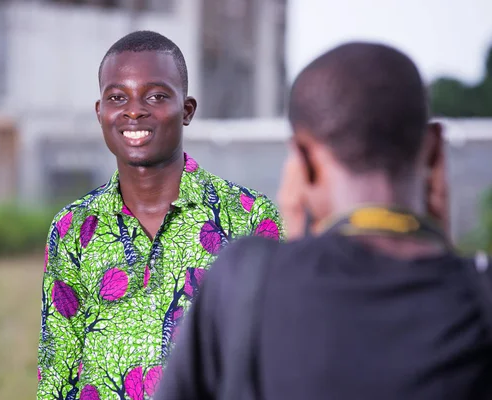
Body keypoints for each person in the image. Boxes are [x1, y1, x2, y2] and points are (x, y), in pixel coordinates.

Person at [155, 42, 492, 400]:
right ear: (436, 150)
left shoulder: (244, 281)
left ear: (304, 159)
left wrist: (287, 257)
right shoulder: (479, 300)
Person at [36, 30, 283, 400]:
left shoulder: (249, 218)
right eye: (117, 97)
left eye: (155, 96)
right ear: (100, 111)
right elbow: (58, 367)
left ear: (187, 110)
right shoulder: (73, 228)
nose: (134, 110)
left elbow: (272, 353)